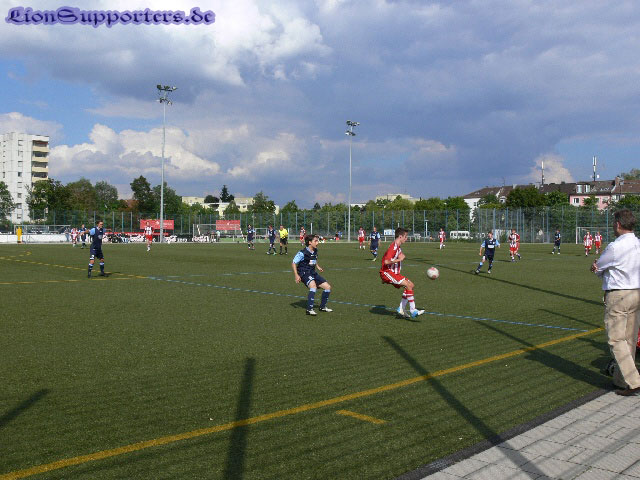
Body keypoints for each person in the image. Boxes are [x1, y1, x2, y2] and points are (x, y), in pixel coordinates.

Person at [590, 209, 640, 396]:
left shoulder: (615, 246)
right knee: (630, 340)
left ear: (618, 224)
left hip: (618, 294)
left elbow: (599, 267)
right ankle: (621, 380)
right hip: (636, 292)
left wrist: (595, 267)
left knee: (616, 340)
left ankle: (634, 381)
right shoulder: (638, 243)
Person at [380, 227, 424, 318]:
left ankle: (401, 308)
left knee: (411, 285)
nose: (406, 239)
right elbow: (386, 262)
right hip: (387, 272)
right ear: (400, 236)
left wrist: (401, 256)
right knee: (408, 285)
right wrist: (399, 259)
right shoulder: (393, 247)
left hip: (393, 273)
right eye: (405, 237)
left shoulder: (397, 247)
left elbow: (399, 255)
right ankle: (413, 310)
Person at [292, 234, 332, 316]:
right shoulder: (302, 253)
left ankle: (322, 307)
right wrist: (296, 275)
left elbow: (313, 259)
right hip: (304, 272)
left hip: (312, 272)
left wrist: (317, 266)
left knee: (327, 287)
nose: (318, 243)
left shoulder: (315, 250)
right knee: (313, 286)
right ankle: (309, 309)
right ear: (310, 242)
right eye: (315, 241)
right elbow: (293, 263)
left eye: (317, 241)